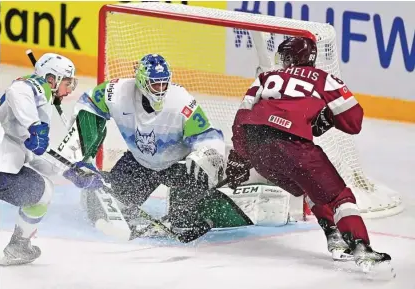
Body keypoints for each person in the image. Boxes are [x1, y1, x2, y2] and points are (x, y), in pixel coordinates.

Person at [225, 37, 391, 272]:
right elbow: (354, 121)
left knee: (308, 187)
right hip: (293, 147)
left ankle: (333, 234)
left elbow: (242, 117)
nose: (282, 61)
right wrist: (330, 118)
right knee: (339, 196)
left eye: (285, 56)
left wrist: (239, 156)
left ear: (292, 57)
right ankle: (361, 247)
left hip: (257, 150)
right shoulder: (324, 78)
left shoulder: (266, 76)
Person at [63, 54, 252, 240]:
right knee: (109, 206)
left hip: (178, 166)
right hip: (139, 163)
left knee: (185, 216)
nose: (161, 89)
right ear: (142, 82)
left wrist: (207, 152)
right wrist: (82, 155)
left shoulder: (181, 101)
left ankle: (191, 209)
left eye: (164, 83)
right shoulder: (117, 92)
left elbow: (207, 134)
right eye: (155, 84)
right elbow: (88, 105)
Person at [0, 53, 77, 265]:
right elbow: (16, 90)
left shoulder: (40, 102)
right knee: (44, 192)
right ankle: (19, 246)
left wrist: (70, 172)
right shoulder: (34, 86)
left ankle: (19, 247)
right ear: (52, 79)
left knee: (44, 189)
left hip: (4, 168)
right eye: (67, 83)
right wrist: (35, 125)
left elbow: (35, 154)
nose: (69, 90)